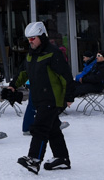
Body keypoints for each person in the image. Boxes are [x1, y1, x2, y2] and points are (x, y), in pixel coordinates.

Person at [11, 21, 73, 173]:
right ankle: (62, 159)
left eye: (33, 38)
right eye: (28, 39)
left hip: (52, 97)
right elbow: (23, 72)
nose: (30, 42)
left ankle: (34, 159)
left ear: (42, 36)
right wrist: (13, 85)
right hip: (39, 97)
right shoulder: (32, 54)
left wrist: (69, 96)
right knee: (52, 129)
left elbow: (66, 76)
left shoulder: (53, 53)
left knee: (40, 128)